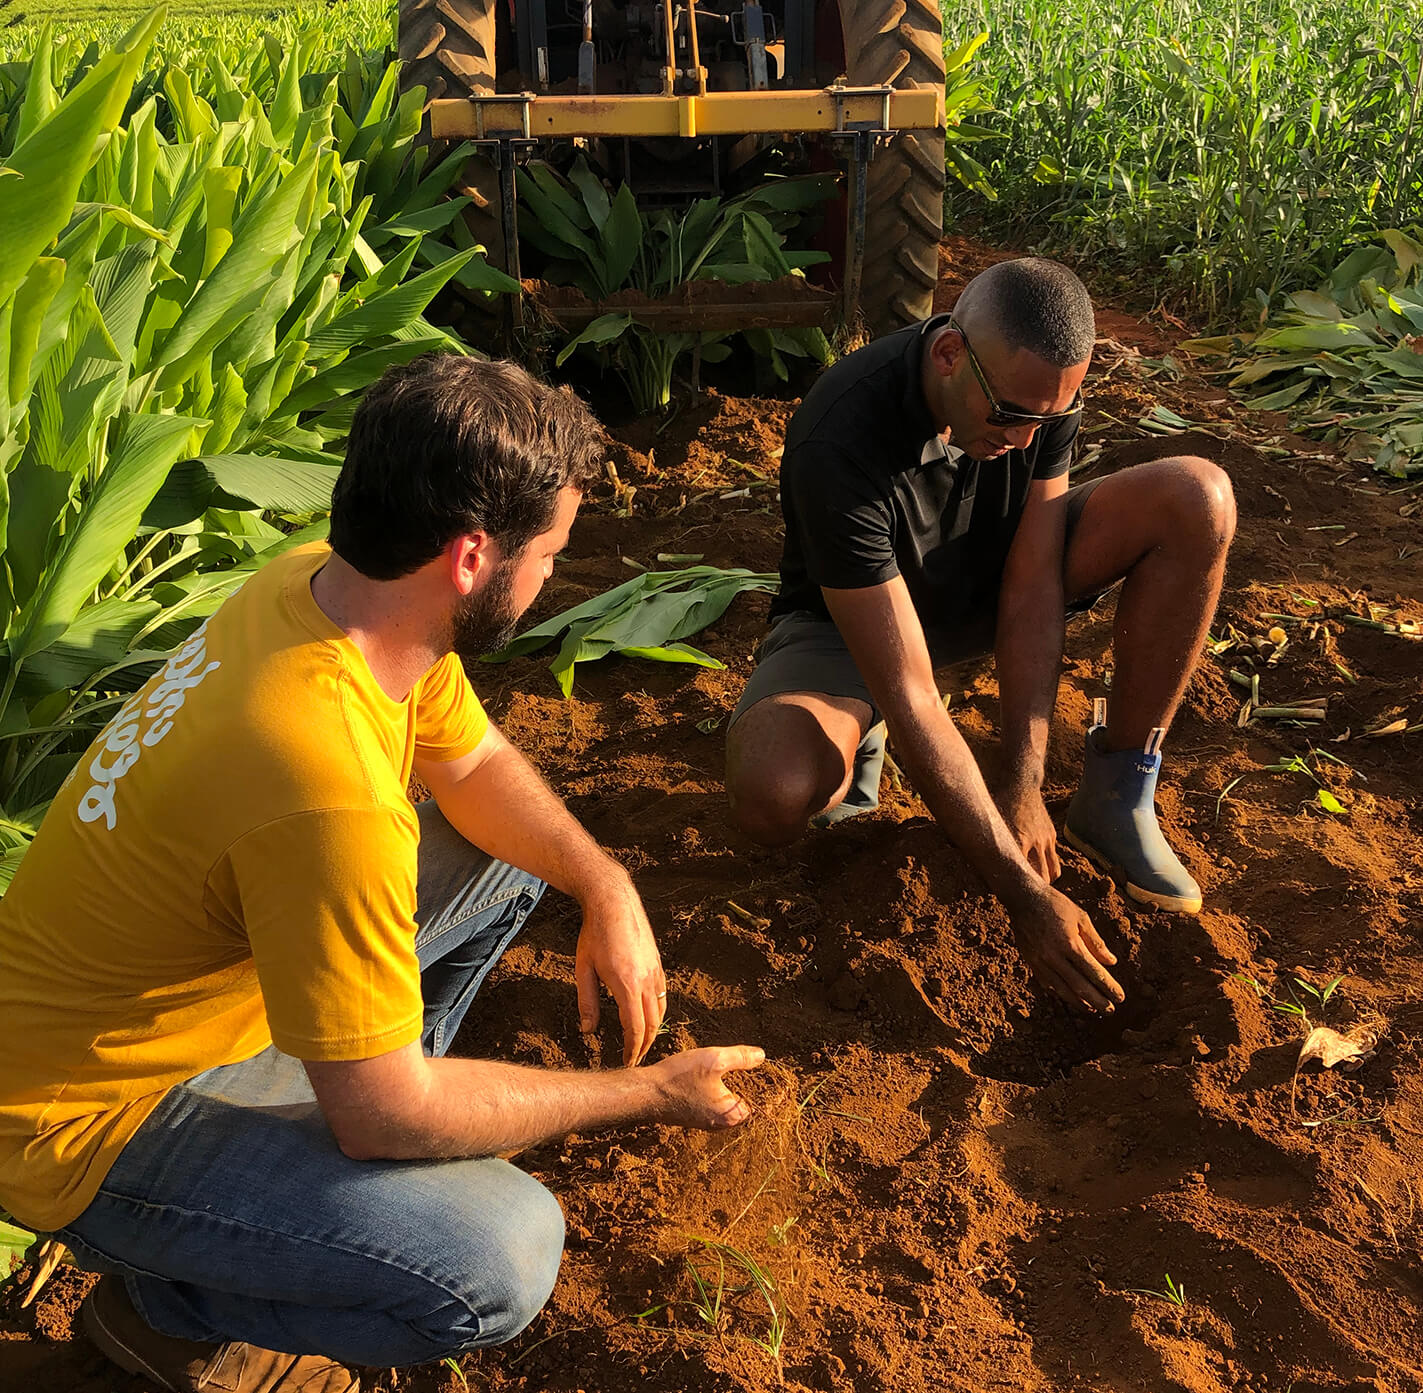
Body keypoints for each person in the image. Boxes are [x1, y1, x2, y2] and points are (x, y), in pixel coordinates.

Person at [0, 354, 764, 1393]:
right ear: (469, 556)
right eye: (549, 555)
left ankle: (329, 1179)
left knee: (502, 862)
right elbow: (380, 1113)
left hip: (166, 1003)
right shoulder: (327, 784)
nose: (551, 582)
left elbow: (477, 763)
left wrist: (607, 885)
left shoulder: (326, 588)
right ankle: (171, 1313)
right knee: (496, 1259)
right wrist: (641, 1092)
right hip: (84, 1116)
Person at [725, 258, 1236, 1015]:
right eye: (1009, 416)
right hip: (858, 625)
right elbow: (909, 688)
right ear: (947, 355)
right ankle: (852, 736)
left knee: (1197, 496)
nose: (1025, 435)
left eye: (1047, 419)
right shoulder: (840, 434)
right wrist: (1025, 896)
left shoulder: (1036, 393)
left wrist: (1022, 783)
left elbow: (1031, 587)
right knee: (773, 790)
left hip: (988, 582)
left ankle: (1119, 795)